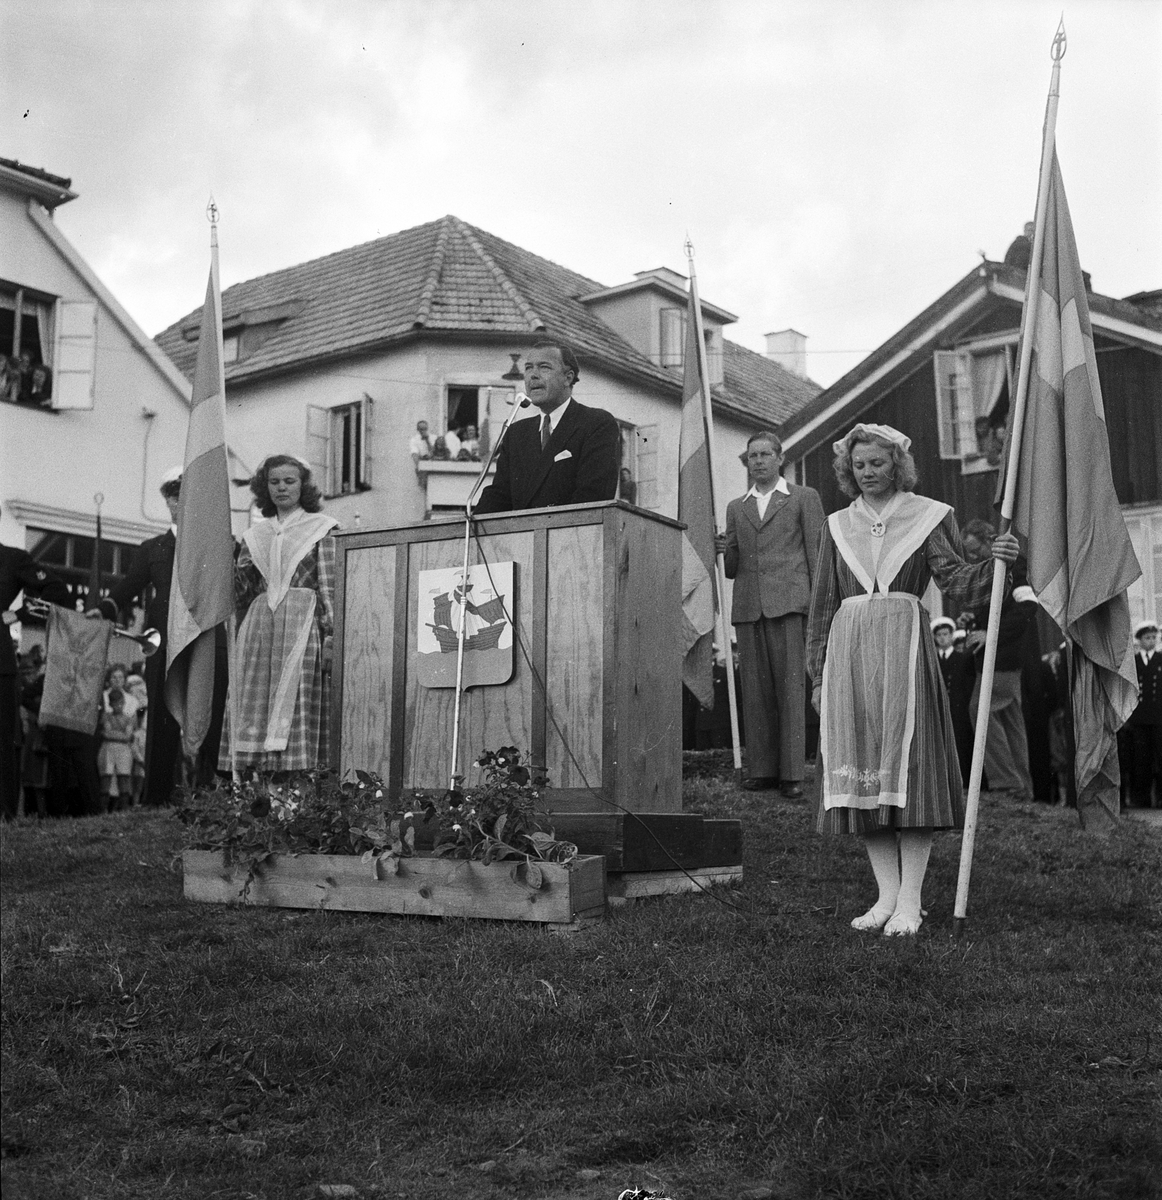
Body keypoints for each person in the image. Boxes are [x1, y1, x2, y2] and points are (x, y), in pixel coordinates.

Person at [806, 423, 1018, 936]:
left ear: (896, 463)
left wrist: (996, 563)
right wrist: (818, 677)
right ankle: (885, 896)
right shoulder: (836, 525)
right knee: (863, 776)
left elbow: (957, 582)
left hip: (905, 650)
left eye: (877, 463)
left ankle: (911, 901)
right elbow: (822, 607)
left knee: (909, 773)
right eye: (859, 465)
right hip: (850, 654)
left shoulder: (929, 515)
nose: (868, 473)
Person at [718, 431, 825, 796]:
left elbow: (817, 552)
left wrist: (818, 604)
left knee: (791, 690)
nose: (759, 461)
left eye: (765, 454)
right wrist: (722, 548)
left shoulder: (803, 498)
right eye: (752, 456)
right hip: (749, 606)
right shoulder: (736, 506)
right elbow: (732, 567)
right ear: (746, 463)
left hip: (790, 604)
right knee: (756, 692)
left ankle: (792, 774)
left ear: (780, 458)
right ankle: (762, 770)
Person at [219, 455, 338, 773]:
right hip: (261, 628)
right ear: (264, 487)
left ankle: (297, 793)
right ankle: (260, 792)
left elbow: (329, 586)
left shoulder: (322, 528)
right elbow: (242, 593)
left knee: (296, 698)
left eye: (289, 481)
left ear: (303, 485)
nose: (282, 487)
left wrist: (332, 635)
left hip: (301, 625)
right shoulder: (255, 534)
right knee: (260, 704)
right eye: (274, 482)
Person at [90, 468, 184, 806]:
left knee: (208, 715)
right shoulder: (152, 547)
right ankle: (158, 797)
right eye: (174, 496)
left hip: (206, 641)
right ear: (168, 501)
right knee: (161, 716)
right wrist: (105, 608)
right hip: (163, 642)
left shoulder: (217, 545)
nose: (179, 502)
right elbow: (129, 586)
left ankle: (205, 796)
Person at [473, 338, 620, 514]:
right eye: (528, 368)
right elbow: (499, 496)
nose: (533, 375)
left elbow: (594, 497)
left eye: (544, 367)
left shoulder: (596, 424)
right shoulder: (516, 433)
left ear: (568, 378)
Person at [961, 519, 1037, 802]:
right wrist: (974, 620)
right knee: (1009, 719)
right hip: (1004, 658)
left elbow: (1029, 608)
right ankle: (1021, 788)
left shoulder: (1014, 566)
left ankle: (1007, 784)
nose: (971, 557)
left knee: (980, 710)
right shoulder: (996, 569)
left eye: (974, 550)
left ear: (989, 541)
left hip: (1002, 659)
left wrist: (988, 633)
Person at [1, 519, 73, 818]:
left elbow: (56, 589)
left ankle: (4, 815)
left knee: (3, 742)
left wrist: (17, 613)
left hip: (0, 666)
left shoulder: (12, 558)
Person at [932, 615, 976, 786]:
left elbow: (968, 685)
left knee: (960, 744)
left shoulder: (963, 658)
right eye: (939, 635)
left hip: (958, 709)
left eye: (946, 634)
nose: (943, 638)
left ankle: (963, 782)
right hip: (940, 709)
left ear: (951, 635)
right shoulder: (933, 660)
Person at [1124, 620, 1161, 808]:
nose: (1152, 641)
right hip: (1139, 718)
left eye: (1154, 637)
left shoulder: (1161, 659)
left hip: (1159, 717)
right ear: (1139, 640)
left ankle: (1160, 798)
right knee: (1141, 759)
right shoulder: (1134, 662)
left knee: (1161, 758)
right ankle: (1141, 798)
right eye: (1148, 638)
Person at [98, 687, 135, 810]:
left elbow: (127, 736)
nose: (118, 706)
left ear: (124, 703)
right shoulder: (106, 716)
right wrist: (120, 735)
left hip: (123, 749)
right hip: (108, 748)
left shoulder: (128, 718)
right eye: (115, 703)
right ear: (110, 704)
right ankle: (103, 810)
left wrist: (114, 735)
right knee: (106, 777)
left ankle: (123, 809)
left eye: (120, 703)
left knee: (123, 777)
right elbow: (107, 733)